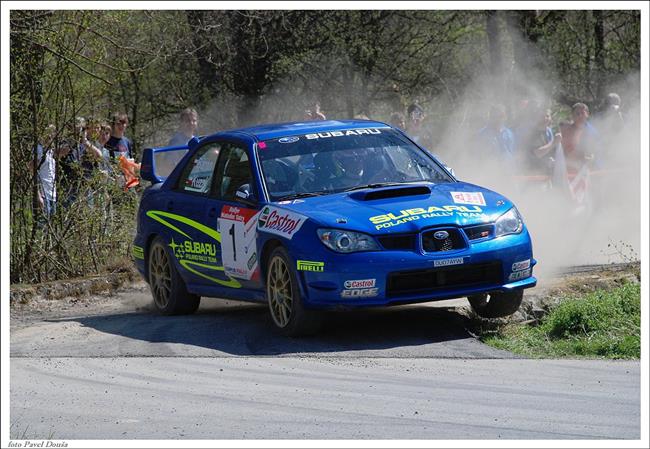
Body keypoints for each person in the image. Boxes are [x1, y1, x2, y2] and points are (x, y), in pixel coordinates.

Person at [559, 103, 599, 173]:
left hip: (589, 171)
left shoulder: (593, 132)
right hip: (570, 171)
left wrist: (592, 157)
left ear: (587, 114)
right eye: (577, 114)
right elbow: (563, 152)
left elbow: (597, 151)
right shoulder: (566, 131)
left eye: (582, 113)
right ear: (572, 116)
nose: (580, 116)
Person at [33, 125, 59, 219]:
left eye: (53, 133)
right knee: (42, 226)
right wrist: (38, 194)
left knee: (50, 228)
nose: (50, 136)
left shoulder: (51, 152)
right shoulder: (39, 149)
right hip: (43, 195)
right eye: (48, 132)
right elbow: (32, 171)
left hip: (52, 195)